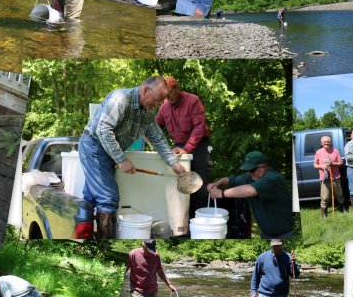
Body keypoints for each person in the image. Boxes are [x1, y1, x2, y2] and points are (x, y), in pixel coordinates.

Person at [79, 76, 187, 239]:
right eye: (157, 101)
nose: (157, 106)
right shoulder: (120, 99)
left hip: (108, 151)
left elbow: (157, 138)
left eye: (160, 103)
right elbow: (103, 130)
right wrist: (121, 159)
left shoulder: (148, 113)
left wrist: (173, 163)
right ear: (145, 90)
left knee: (92, 197)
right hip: (93, 146)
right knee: (108, 198)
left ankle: (84, 236)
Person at [155, 76, 211, 218]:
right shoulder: (164, 107)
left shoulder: (192, 101)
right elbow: (155, 127)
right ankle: (182, 221)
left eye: (170, 93)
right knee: (180, 184)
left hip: (200, 146)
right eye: (165, 95)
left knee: (200, 185)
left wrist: (187, 149)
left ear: (177, 89)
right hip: (179, 147)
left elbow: (199, 128)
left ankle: (199, 222)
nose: (168, 97)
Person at [208, 151, 292, 238]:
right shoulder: (252, 176)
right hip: (266, 235)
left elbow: (251, 190)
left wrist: (221, 193)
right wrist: (216, 184)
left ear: (263, 167)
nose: (250, 174)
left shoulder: (273, 179)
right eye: (248, 170)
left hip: (286, 234)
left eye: (252, 170)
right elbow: (230, 180)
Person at [313, 135, 345, 216]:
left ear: (330, 142)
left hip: (336, 177)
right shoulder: (318, 152)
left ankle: (343, 210)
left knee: (339, 194)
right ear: (322, 143)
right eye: (325, 142)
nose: (326, 143)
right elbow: (315, 165)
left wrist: (333, 163)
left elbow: (341, 163)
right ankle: (324, 214)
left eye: (328, 142)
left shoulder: (335, 151)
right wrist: (322, 166)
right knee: (325, 197)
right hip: (325, 178)